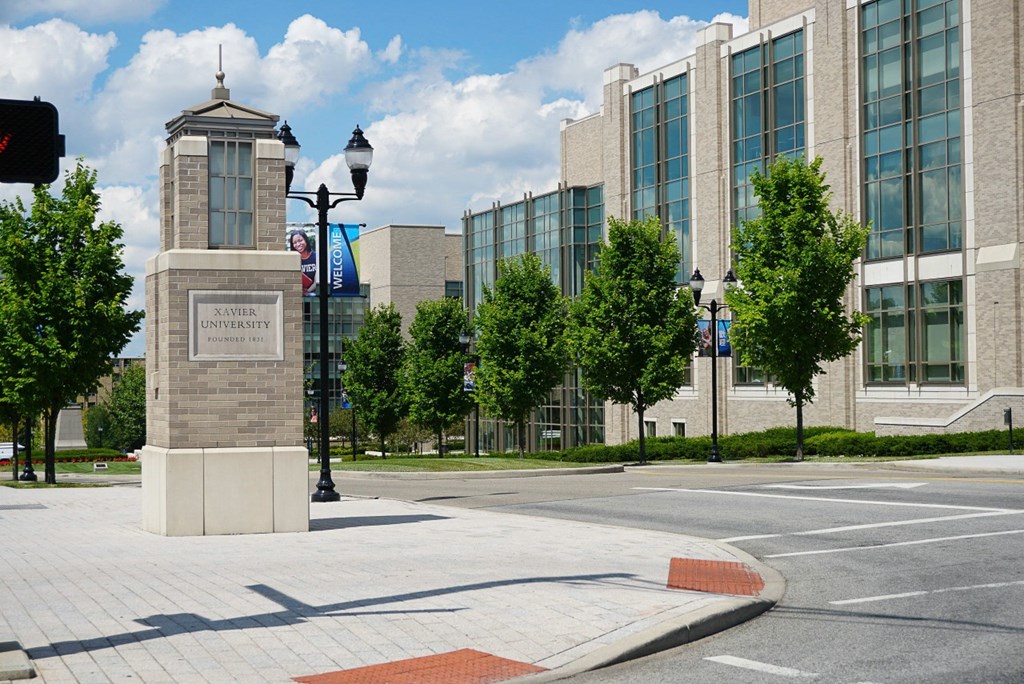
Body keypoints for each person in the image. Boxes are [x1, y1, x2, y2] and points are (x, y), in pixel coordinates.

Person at [289, 230, 317, 296]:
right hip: (297, 294)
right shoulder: (292, 260)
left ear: (306, 240)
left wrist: (307, 291)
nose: (298, 244)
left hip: (314, 294)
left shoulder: (316, 257)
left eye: (300, 240)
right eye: (295, 242)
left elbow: (317, 281)